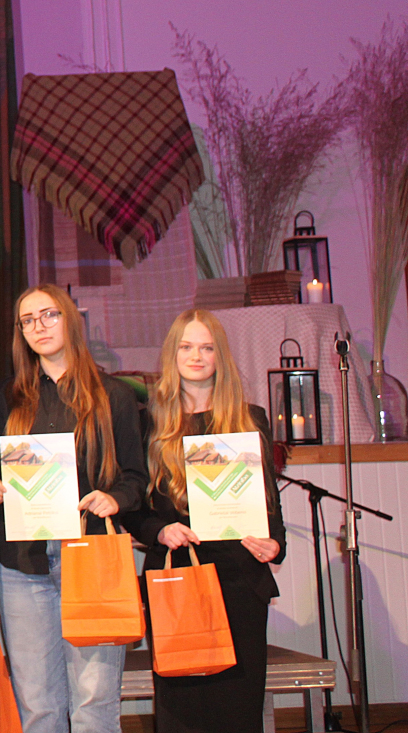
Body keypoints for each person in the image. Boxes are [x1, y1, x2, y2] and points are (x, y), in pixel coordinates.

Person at [0, 284, 148, 733]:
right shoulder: (5, 398)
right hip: (22, 564)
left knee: (94, 705)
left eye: (49, 315)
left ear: (71, 320)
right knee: (38, 707)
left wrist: (114, 498)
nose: (39, 326)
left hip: (92, 558)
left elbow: (136, 477)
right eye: (28, 320)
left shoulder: (114, 396)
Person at [123, 309, 285, 733]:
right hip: (177, 578)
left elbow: (269, 501)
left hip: (240, 579)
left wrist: (275, 543)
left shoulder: (251, 419)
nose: (196, 356)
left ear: (220, 356)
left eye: (207, 348)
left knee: (239, 713)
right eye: (187, 347)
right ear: (172, 354)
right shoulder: (147, 423)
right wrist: (159, 530)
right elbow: (131, 506)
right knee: (182, 713)